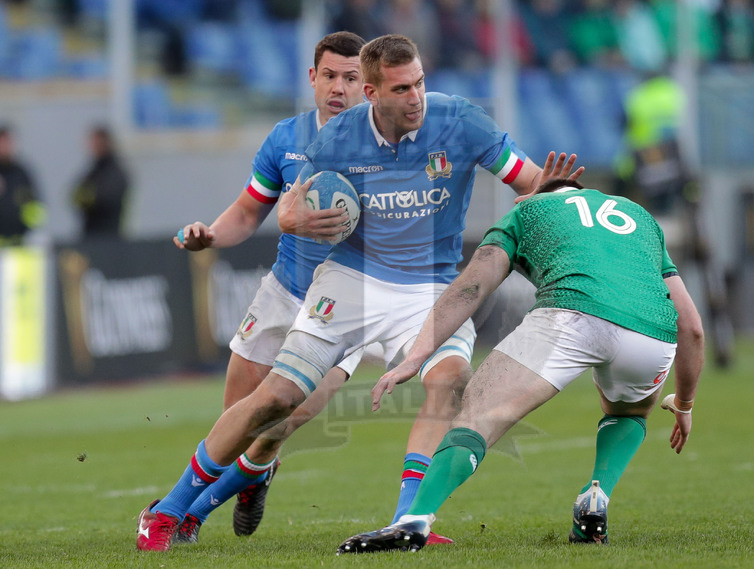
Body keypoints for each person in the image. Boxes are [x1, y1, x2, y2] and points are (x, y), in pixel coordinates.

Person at [136, 33, 582, 552]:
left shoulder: (460, 120)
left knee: (450, 382)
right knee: (275, 401)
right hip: (351, 280)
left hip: (433, 285)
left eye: (419, 83)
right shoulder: (336, 140)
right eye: (400, 89)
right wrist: (294, 218)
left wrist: (559, 196)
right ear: (372, 93)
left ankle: (407, 521)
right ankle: (167, 513)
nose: (415, 97)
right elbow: (286, 211)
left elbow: (529, 179)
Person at [337, 157, 705, 554]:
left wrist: (418, 354)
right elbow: (693, 327)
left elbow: (472, 286)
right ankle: (596, 495)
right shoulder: (639, 217)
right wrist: (684, 403)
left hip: (571, 313)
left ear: (532, 197)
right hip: (652, 334)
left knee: (477, 417)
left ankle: (413, 521)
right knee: (628, 412)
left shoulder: (527, 211)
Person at [167, 31, 368, 546]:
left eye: (351, 78)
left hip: (345, 306)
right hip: (283, 291)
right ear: (312, 78)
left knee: (283, 420)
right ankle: (247, 478)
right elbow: (246, 212)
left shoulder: (387, 149)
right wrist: (210, 236)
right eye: (330, 76)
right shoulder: (286, 138)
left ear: (368, 85)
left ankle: (189, 513)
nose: (339, 87)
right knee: (235, 421)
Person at [71, 125, 130, 239]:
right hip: (90, 236)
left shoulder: (114, 172)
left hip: (109, 237)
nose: (92, 146)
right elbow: (76, 195)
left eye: (95, 142)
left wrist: (89, 197)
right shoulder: (93, 170)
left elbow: (105, 198)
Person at [0, 125, 45, 246]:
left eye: (7, 142)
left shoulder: (22, 174)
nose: (4, 146)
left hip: (20, 244)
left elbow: (36, 208)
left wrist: (29, 230)